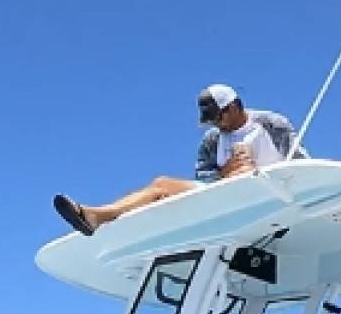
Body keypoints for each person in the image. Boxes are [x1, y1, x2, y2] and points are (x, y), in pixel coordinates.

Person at [52, 85, 289, 236]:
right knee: (162, 184)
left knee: (245, 166)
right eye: (211, 120)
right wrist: (225, 174)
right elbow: (204, 178)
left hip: (270, 190)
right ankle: (95, 216)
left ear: (235, 106)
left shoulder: (271, 123)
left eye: (218, 117)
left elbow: (297, 156)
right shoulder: (212, 140)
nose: (216, 123)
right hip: (225, 194)